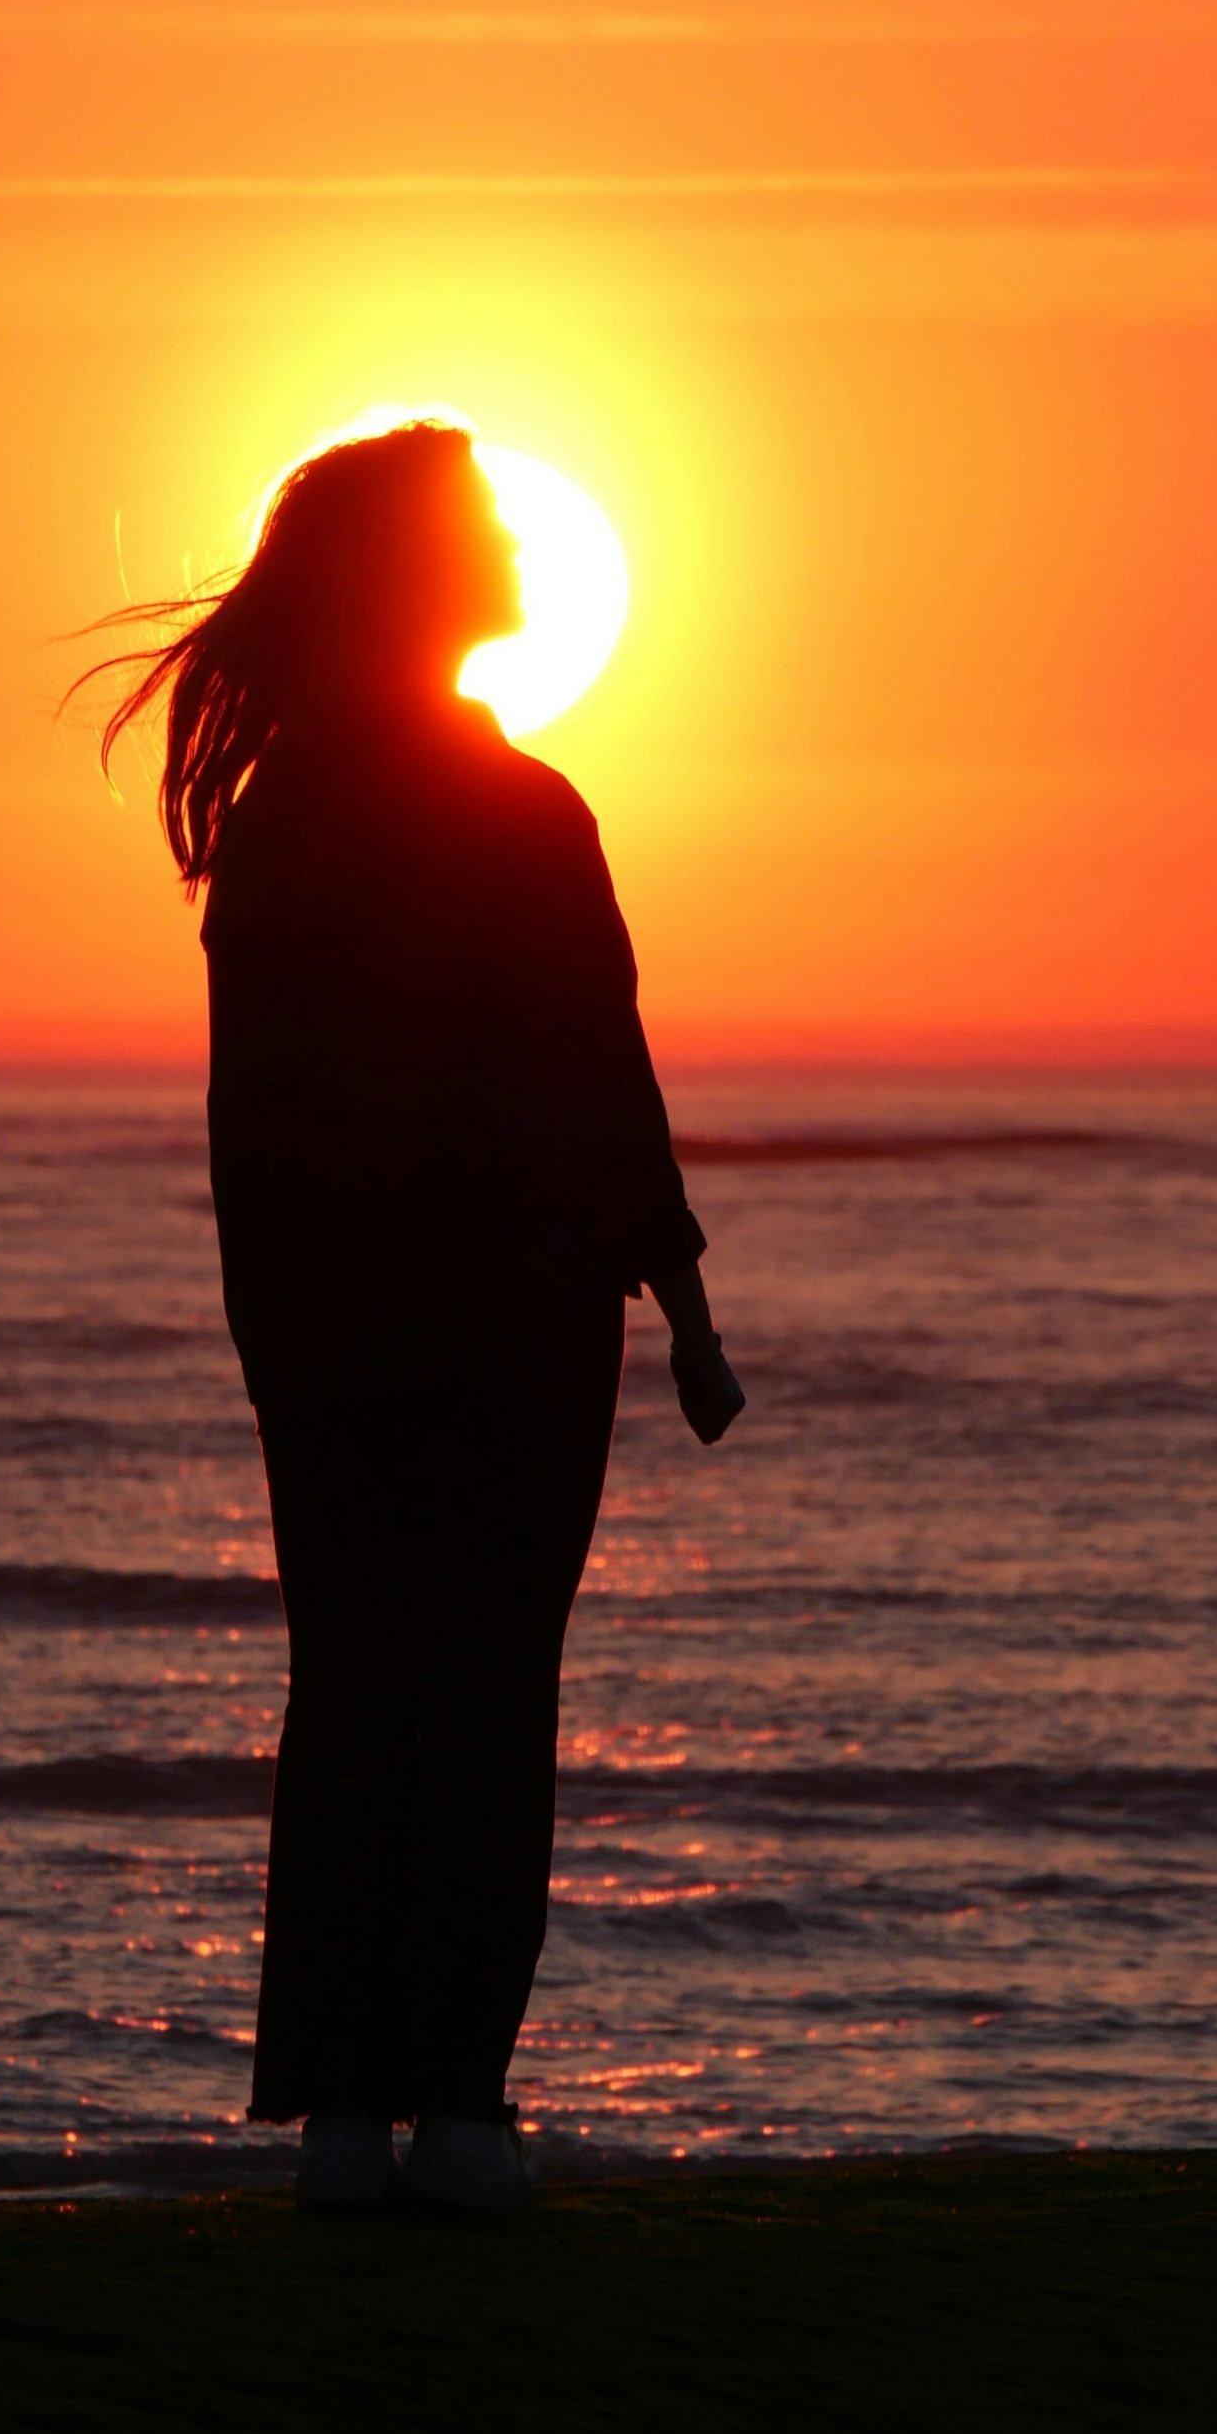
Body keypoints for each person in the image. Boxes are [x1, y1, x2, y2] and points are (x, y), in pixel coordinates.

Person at [87, 420, 742, 2216]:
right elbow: (574, 1083)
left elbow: (598, 1076)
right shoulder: (448, 811)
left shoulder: (360, 810)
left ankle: (382, 2110)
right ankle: (422, 2104)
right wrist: (673, 1296)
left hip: (409, 1331)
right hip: (462, 1329)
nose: (522, 551)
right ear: (419, 572)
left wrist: (676, 1297)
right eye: (489, 527)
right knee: (454, 1701)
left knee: (387, 1697)